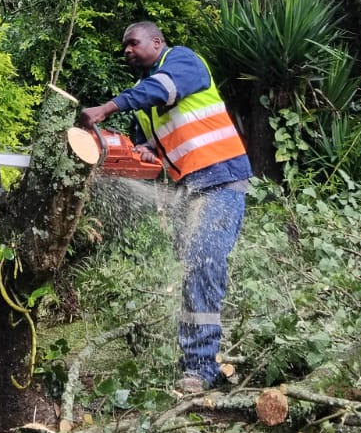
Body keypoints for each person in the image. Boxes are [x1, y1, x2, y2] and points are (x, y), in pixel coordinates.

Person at [80, 21, 251, 392]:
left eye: (133, 42)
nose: (127, 49)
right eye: (123, 45)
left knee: (205, 263)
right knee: (194, 269)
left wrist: (106, 109)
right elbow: (153, 148)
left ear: (157, 41)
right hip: (192, 190)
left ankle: (201, 368)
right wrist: (140, 151)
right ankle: (198, 361)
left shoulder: (183, 62)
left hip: (222, 180)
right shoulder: (147, 107)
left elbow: (161, 90)